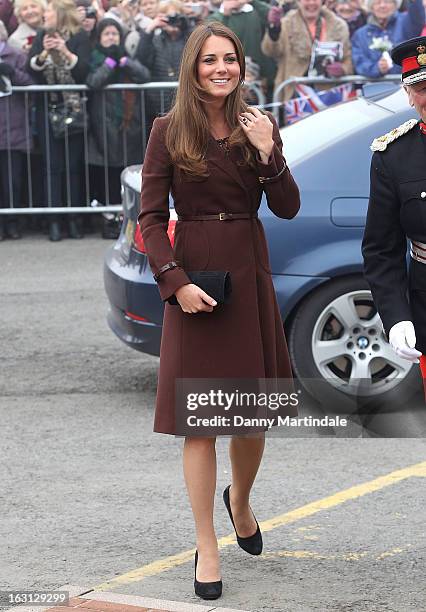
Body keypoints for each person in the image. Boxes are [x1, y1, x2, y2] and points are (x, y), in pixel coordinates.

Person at [137, 21, 300, 600]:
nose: (221, 69)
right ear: (193, 66)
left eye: (229, 59)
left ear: (241, 67)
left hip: (247, 272)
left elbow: (286, 206)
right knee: (201, 422)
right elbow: (151, 220)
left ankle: (243, 500)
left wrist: (268, 152)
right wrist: (173, 281)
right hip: (196, 279)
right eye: (209, 60)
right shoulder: (167, 129)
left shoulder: (258, 124)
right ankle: (207, 544)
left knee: (251, 416)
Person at [362, 35, 426, 397]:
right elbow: (381, 249)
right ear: (408, 94)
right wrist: (396, 314)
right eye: (421, 87)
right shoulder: (392, 156)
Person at [27, 0, 91, 241]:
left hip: (73, 109)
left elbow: (84, 70)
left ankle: (74, 220)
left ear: (61, 15)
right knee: (52, 166)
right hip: (48, 108)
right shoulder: (41, 35)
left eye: (49, 12)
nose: (45, 15)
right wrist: (44, 52)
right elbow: (31, 68)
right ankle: (54, 221)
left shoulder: (79, 36)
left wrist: (64, 51)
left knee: (73, 167)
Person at [86, 17, 150, 237]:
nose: (111, 38)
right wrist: (109, 64)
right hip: (103, 126)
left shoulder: (126, 57)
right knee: (107, 175)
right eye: (107, 34)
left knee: (126, 172)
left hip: (128, 126)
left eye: (115, 34)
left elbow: (143, 75)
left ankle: (126, 219)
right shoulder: (95, 58)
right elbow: (93, 81)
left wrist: (124, 61)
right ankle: (109, 219)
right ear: (99, 38)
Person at [262, 0, 353, 103]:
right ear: (299, 2)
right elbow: (271, 51)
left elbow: (348, 58)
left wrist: (343, 69)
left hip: (328, 96)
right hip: (293, 97)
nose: (311, 3)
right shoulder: (286, 24)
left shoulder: (339, 26)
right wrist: (274, 29)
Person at [135, 0, 196, 129]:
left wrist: (187, 25)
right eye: (168, 17)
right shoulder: (155, 40)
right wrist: (150, 29)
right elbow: (141, 59)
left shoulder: (191, 38)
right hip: (159, 106)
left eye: (176, 16)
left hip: (187, 104)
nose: (172, 20)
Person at [0, 19, 34, 240]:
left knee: (12, 181)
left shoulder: (17, 55)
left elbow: (31, 84)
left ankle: (12, 223)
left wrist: (11, 72)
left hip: (12, 127)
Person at [351, 0, 424, 77]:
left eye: (387, 1)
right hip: (373, 86)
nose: (382, 5)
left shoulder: (406, 22)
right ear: (371, 7)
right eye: (377, 3)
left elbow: (418, 16)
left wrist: (414, 1)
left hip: (405, 84)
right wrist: (377, 68)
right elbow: (359, 63)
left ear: (395, 5)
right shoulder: (360, 34)